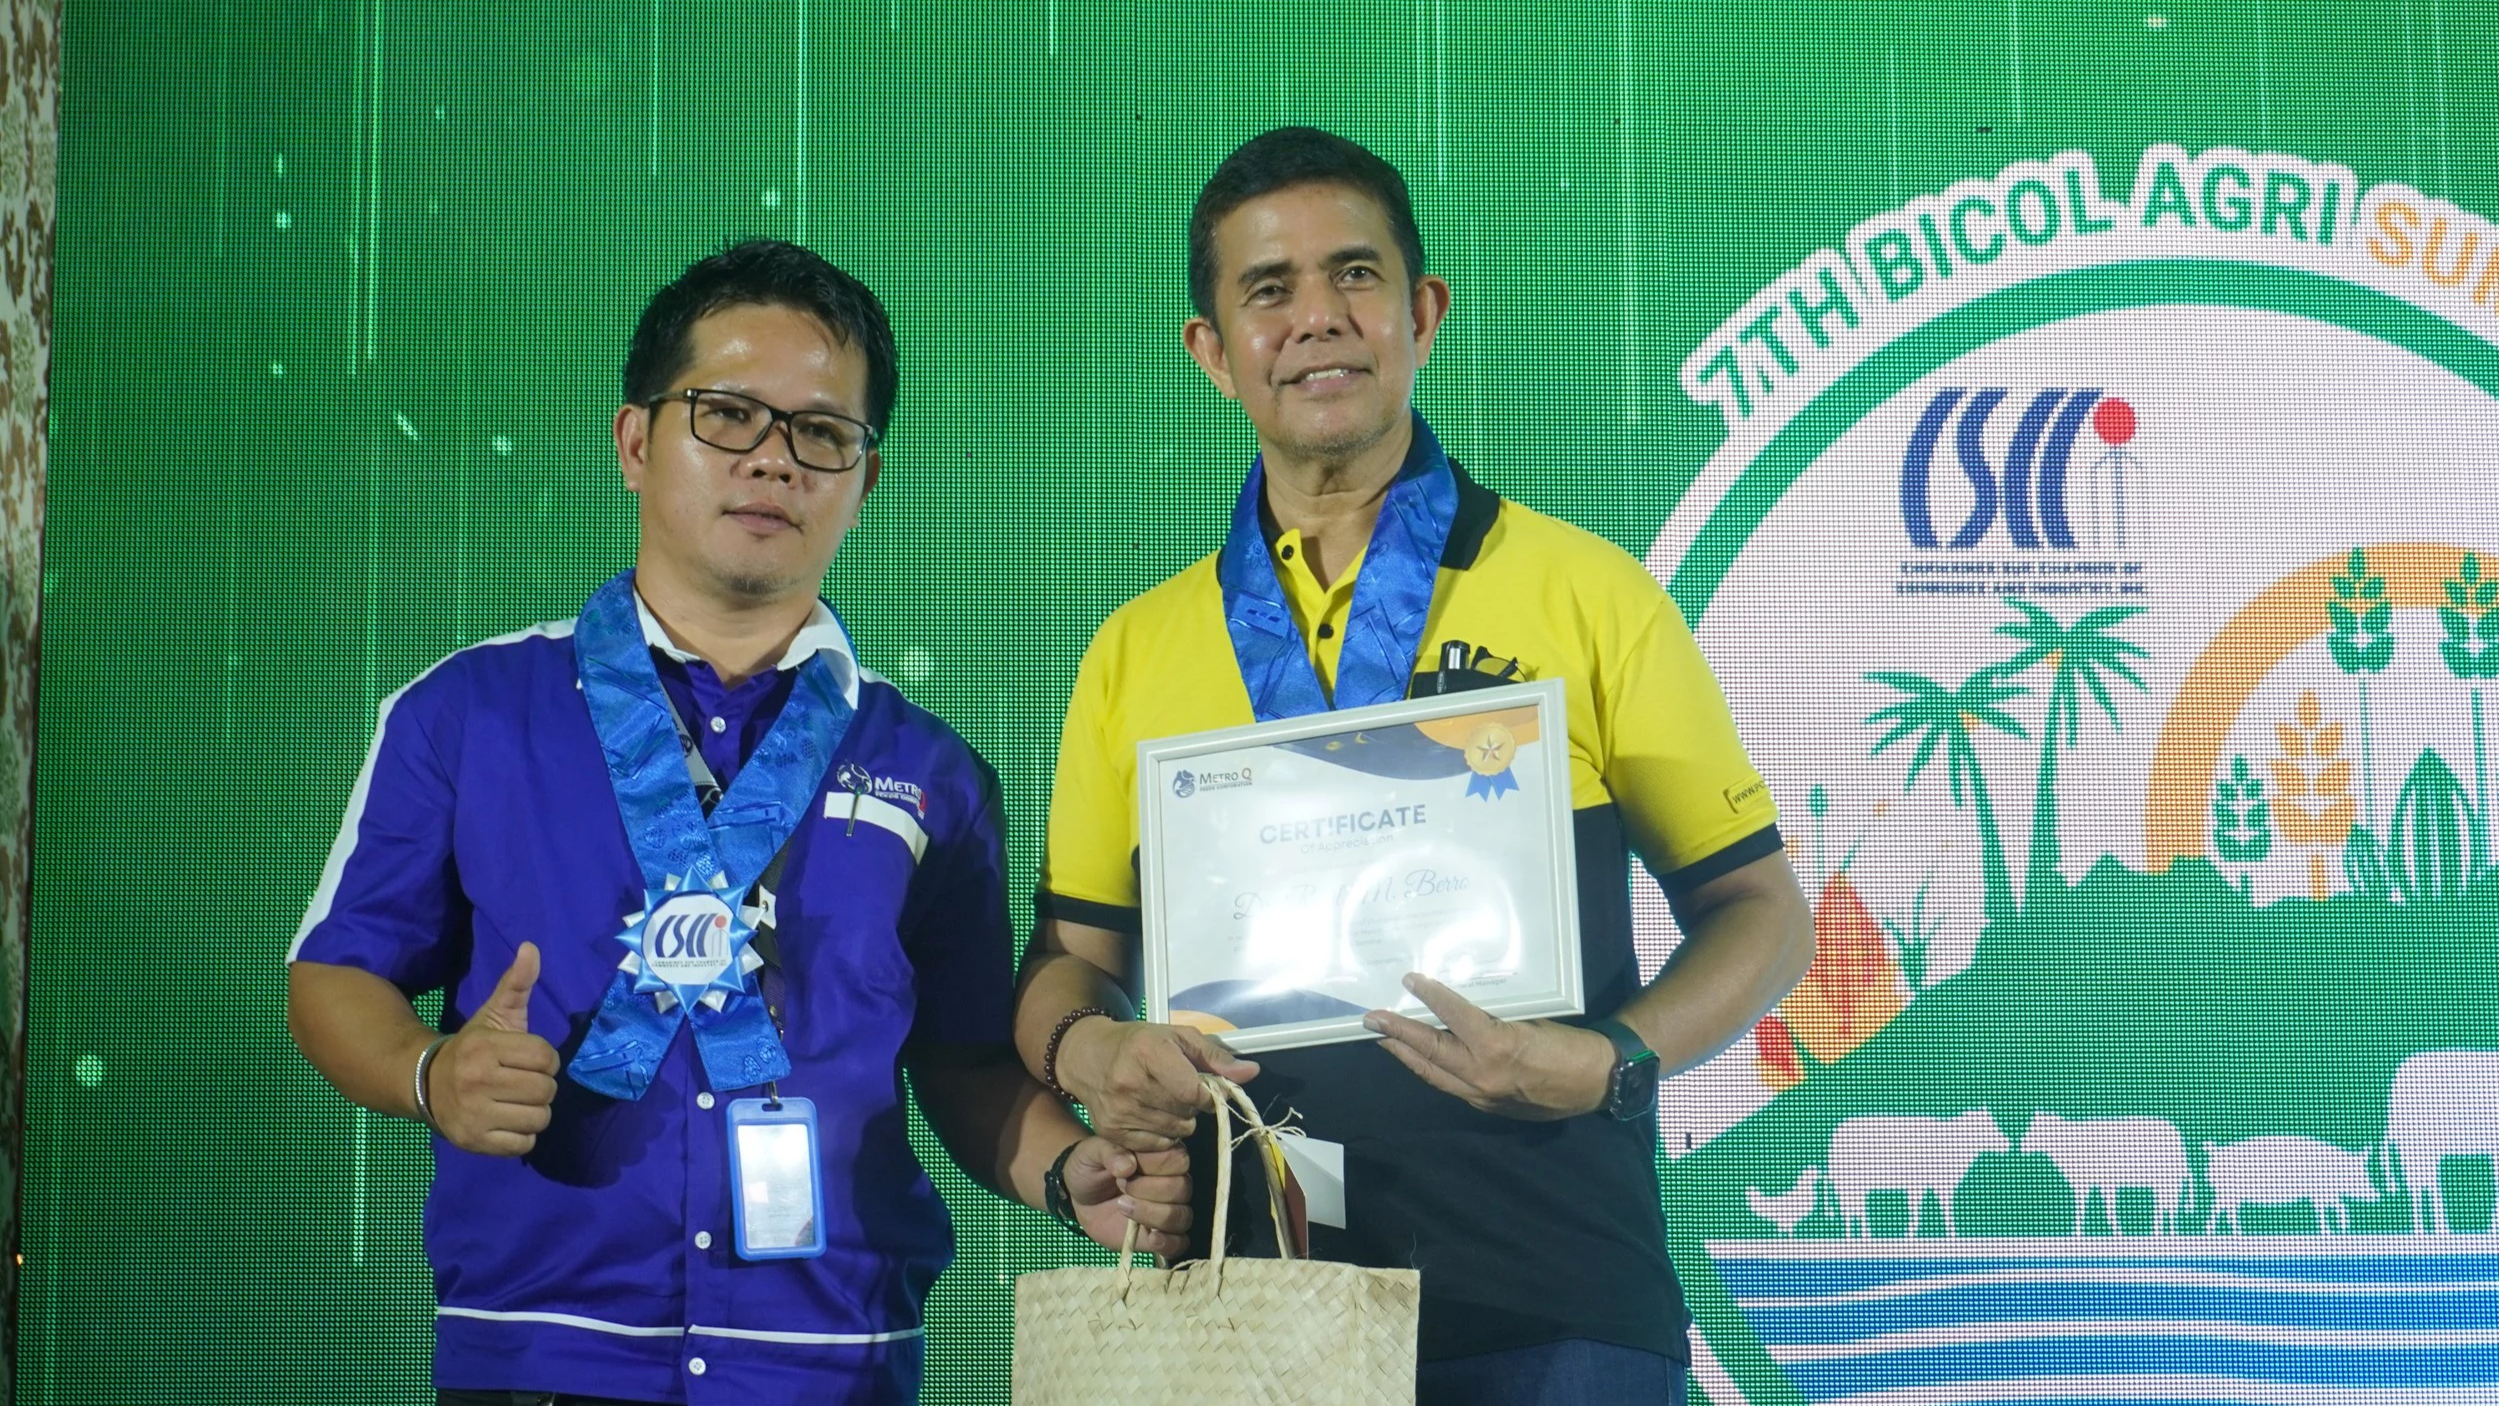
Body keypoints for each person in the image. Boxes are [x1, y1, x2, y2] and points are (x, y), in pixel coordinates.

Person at [288, 239, 1188, 1406]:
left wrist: (1074, 1173)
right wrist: (431, 1073)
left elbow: (965, 1059)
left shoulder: (932, 769)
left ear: (865, 482)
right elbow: (333, 976)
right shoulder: (466, 711)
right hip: (540, 1350)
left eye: (823, 433)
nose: (774, 459)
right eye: (728, 415)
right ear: (634, 442)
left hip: (833, 1362)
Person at [1013, 127, 1815, 1404]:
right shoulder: (1134, 652)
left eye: (1356, 275)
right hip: (1243, 1308)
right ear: (1210, 351)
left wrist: (1611, 1058)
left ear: (1424, 310)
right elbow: (1067, 962)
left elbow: (1764, 914)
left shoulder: (1589, 592)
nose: (1318, 317)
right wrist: (1085, 1057)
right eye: (1268, 291)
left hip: (1553, 1299)